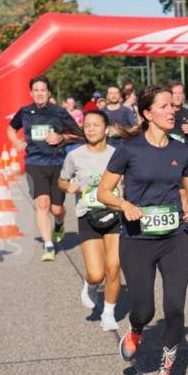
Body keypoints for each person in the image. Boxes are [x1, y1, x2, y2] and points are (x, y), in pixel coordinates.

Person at [96, 86, 188, 375]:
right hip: (137, 239)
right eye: (164, 106)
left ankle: (165, 374)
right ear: (147, 113)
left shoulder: (181, 150)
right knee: (143, 308)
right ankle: (137, 330)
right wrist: (123, 205)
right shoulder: (129, 149)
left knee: (175, 309)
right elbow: (103, 192)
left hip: (174, 238)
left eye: (173, 106)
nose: (172, 111)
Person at [58, 110, 123, 332]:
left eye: (96, 125)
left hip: (115, 214)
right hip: (88, 215)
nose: (91, 129)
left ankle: (109, 312)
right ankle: (91, 284)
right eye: (87, 126)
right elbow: (62, 180)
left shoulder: (118, 154)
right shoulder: (74, 156)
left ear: (106, 129)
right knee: (97, 273)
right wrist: (69, 187)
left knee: (114, 266)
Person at [8, 75, 82, 261]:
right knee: (42, 204)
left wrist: (61, 138)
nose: (39, 94)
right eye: (36, 90)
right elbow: (10, 128)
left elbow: (78, 134)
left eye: (43, 90)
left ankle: (59, 222)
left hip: (58, 163)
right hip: (35, 163)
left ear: (48, 93)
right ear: (31, 93)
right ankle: (48, 245)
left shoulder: (59, 112)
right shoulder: (24, 112)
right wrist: (16, 141)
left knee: (57, 208)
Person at [168, 81, 188, 145]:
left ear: (183, 95)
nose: (177, 96)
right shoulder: (163, 110)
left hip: (183, 151)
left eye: (180, 93)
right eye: (175, 93)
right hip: (165, 151)